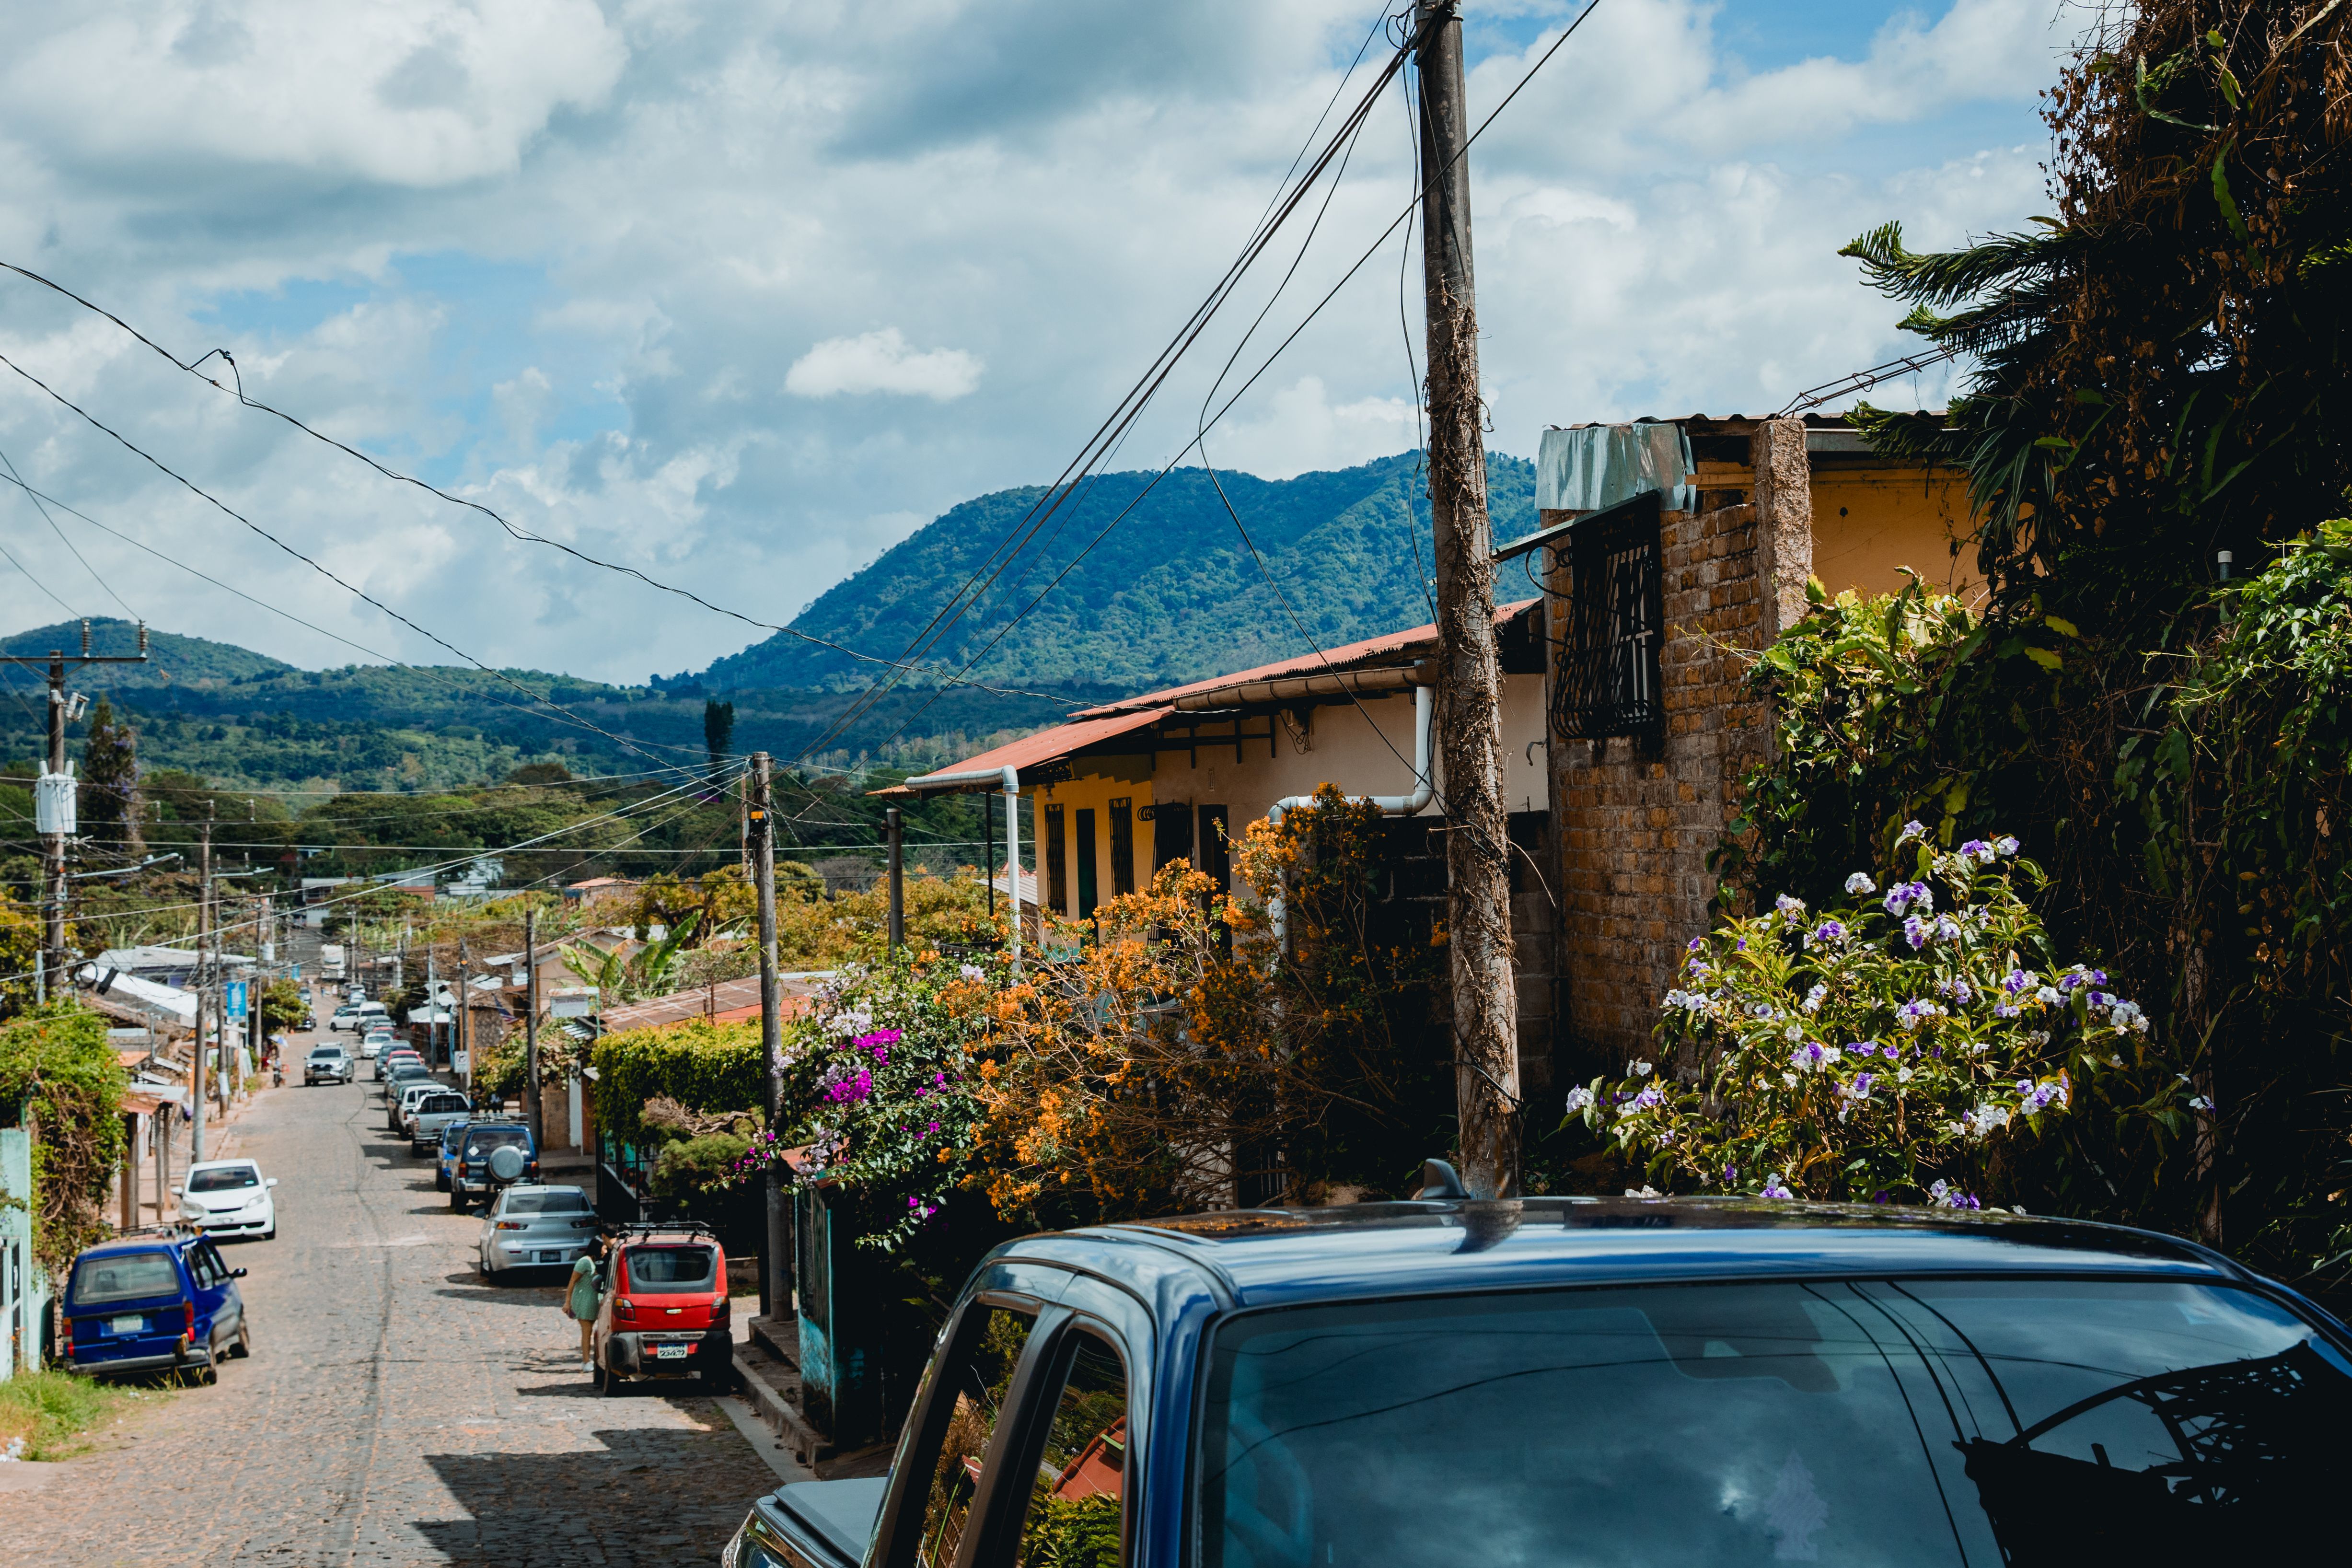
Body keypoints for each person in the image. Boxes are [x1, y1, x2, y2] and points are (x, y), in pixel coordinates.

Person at [566, 1234, 610, 1373]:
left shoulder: (597, 1261)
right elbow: (572, 1282)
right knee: (587, 1331)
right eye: (604, 1247)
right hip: (584, 1300)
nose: (606, 1250)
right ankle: (585, 1361)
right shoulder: (584, 1262)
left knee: (594, 1331)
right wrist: (567, 1303)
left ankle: (591, 1359)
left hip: (594, 1301)